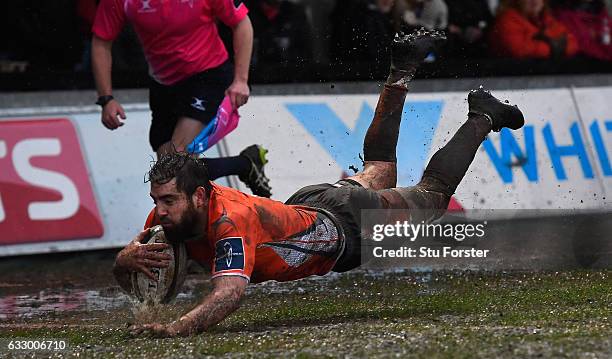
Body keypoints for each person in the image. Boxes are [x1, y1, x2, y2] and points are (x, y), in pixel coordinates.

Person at [116, 28, 525, 337]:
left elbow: (228, 294)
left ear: (200, 196)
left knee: (432, 196)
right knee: (380, 167)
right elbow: (137, 273)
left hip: (341, 227)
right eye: (158, 201)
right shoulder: (169, 214)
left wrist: (176, 328)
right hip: (312, 206)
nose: (161, 210)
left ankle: (483, 115)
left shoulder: (230, 222)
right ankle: (400, 71)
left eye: (169, 200)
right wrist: (122, 262)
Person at [91, 0, 272, 197]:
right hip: (163, 86)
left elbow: (242, 23)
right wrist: (106, 98)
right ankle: (245, 164)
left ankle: (206, 215)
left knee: (174, 166)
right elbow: (101, 42)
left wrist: (241, 80)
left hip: (207, 76)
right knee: (168, 173)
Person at [488, 0, 578, 59]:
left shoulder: (547, 20)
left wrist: (550, 47)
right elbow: (519, 49)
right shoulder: (506, 20)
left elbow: (572, 43)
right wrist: (552, 48)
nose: (535, 1)